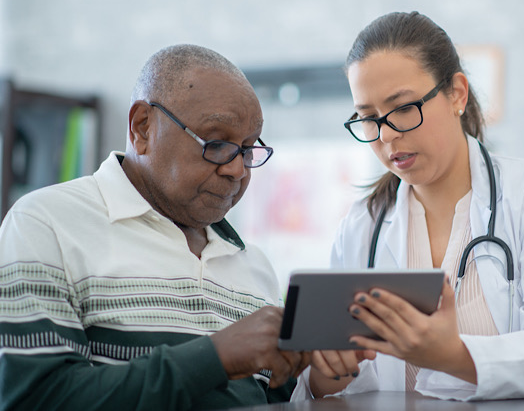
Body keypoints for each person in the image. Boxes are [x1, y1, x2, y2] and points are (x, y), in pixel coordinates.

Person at [292, 11, 524, 401]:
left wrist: (454, 356)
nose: (387, 134)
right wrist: (327, 374)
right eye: (368, 118)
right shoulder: (362, 227)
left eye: (405, 107)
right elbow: (339, 386)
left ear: (457, 94)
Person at [0, 44, 310, 410]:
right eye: (215, 143)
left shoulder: (253, 264)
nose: (237, 170)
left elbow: (268, 398)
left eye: (246, 149)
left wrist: (316, 380)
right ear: (143, 127)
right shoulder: (47, 224)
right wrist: (214, 357)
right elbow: (33, 399)